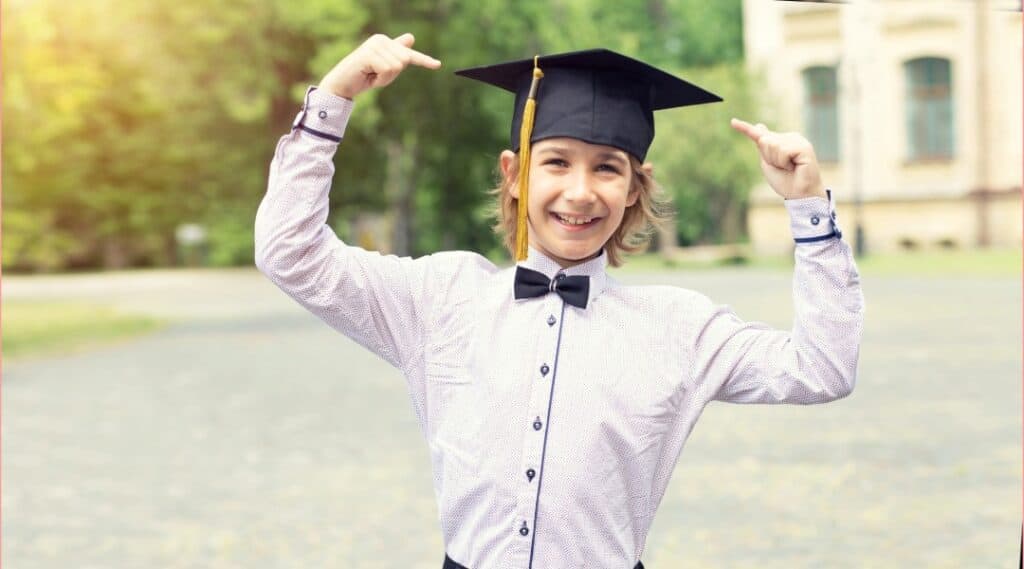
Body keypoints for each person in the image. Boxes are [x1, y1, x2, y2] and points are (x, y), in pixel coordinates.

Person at [255, 33, 864, 569]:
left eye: (607, 168)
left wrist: (808, 209)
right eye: (556, 162)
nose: (580, 191)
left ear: (634, 188)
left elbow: (822, 370)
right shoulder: (438, 301)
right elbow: (290, 253)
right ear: (515, 173)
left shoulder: (680, 328)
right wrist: (332, 98)